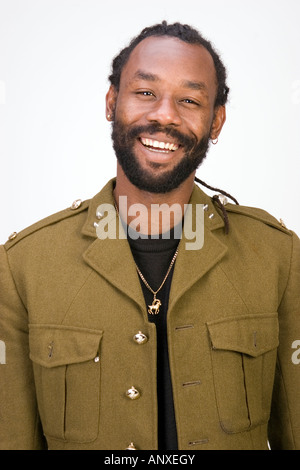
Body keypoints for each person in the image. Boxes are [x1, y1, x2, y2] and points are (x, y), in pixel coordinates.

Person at [0, 21, 299, 451]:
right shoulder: (22, 266)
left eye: (190, 100)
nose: (164, 114)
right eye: (145, 93)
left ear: (216, 121)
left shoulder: (278, 257)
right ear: (111, 103)